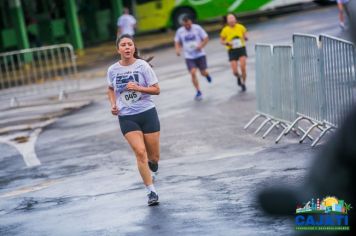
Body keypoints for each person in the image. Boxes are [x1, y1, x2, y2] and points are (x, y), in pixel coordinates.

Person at [107, 34, 161, 206]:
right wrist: (113, 104)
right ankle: (151, 191)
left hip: (147, 113)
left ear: (134, 48)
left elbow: (157, 90)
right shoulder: (112, 70)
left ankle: (153, 165)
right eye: (123, 45)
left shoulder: (143, 66)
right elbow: (110, 89)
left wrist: (138, 88)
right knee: (140, 152)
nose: (127, 47)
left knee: (154, 157)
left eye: (130, 44)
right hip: (127, 116)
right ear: (118, 49)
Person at [174, 16, 212, 101]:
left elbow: (206, 38)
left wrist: (201, 46)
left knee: (203, 72)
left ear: (191, 22)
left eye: (188, 24)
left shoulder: (197, 28)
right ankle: (198, 91)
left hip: (200, 54)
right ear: (183, 24)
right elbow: (177, 41)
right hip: (189, 56)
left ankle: (207, 75)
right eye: (185, 25)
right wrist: (177, 50)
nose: (187, 26)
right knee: (193, 72)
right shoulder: (180, 31)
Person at [220, 13, 248, 92]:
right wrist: (227, 43)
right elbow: (221, 41)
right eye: (229, 18)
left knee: (243, 67)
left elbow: (245, 36)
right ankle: (239, 77)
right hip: (231, 50)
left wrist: (245, 38)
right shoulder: (225, 30)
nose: (231, 20)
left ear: (235, 19)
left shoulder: (241, 27)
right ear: (227, 21)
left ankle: (243, 83)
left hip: (241, 48)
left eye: (233, 18)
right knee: (235, 72)